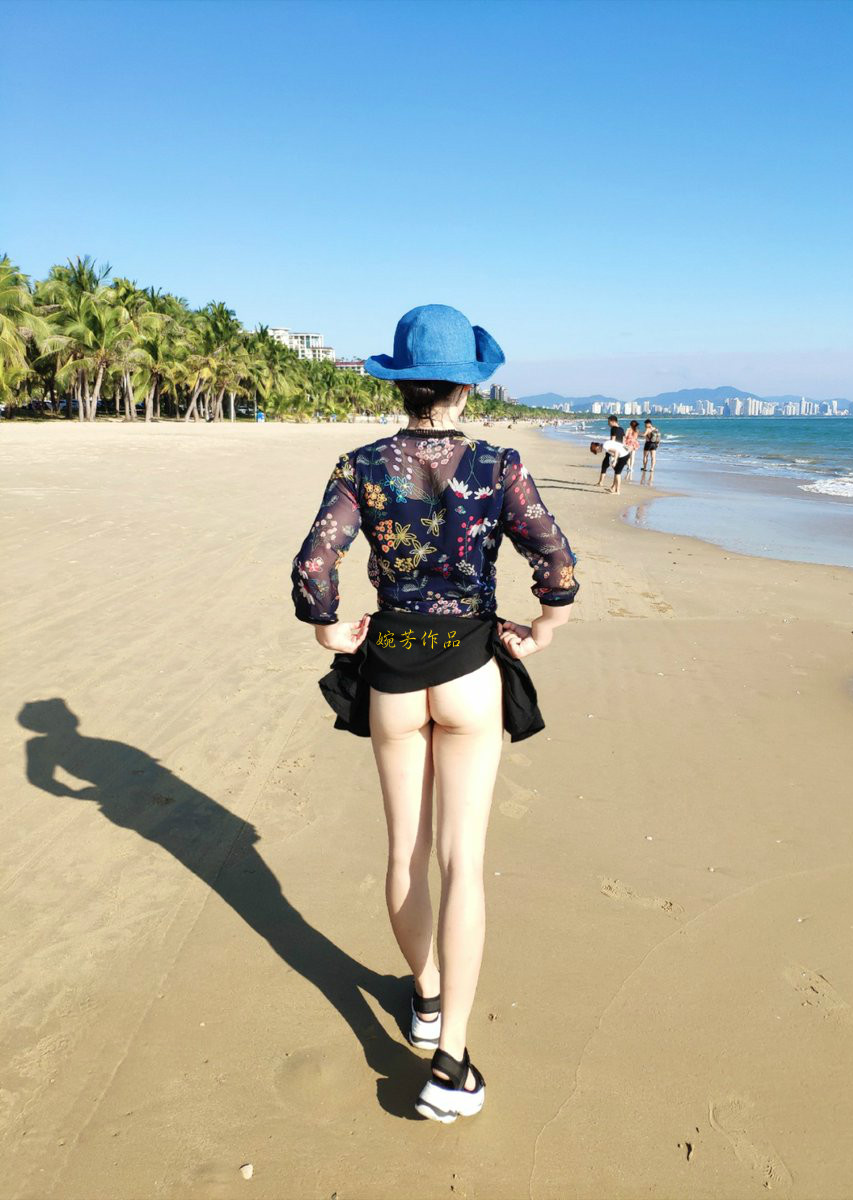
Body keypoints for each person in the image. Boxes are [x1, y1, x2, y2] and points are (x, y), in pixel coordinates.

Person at [291, 304, 579, 1123]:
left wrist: (326, 628)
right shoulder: (497, 464)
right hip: (469, 670)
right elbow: (556, 562)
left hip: (391, 668)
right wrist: (541, 629)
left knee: (404, 855)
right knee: (463, 862)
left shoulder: (361, 465)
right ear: (465, 386)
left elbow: (315, 563)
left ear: (402, 383)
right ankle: (450, 1059)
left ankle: (423, 997)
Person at [595, 415, 624, 486]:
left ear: (613, 421)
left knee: (605, 466)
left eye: (609, 422)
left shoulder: (613, 429)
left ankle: (601, 482)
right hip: (619, 450)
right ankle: (613, 485)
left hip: (612, 450)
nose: (608, 424)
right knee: (615, 469)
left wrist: (608, 447)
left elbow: (612, 440)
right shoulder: (621, 429)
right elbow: (623, 440)